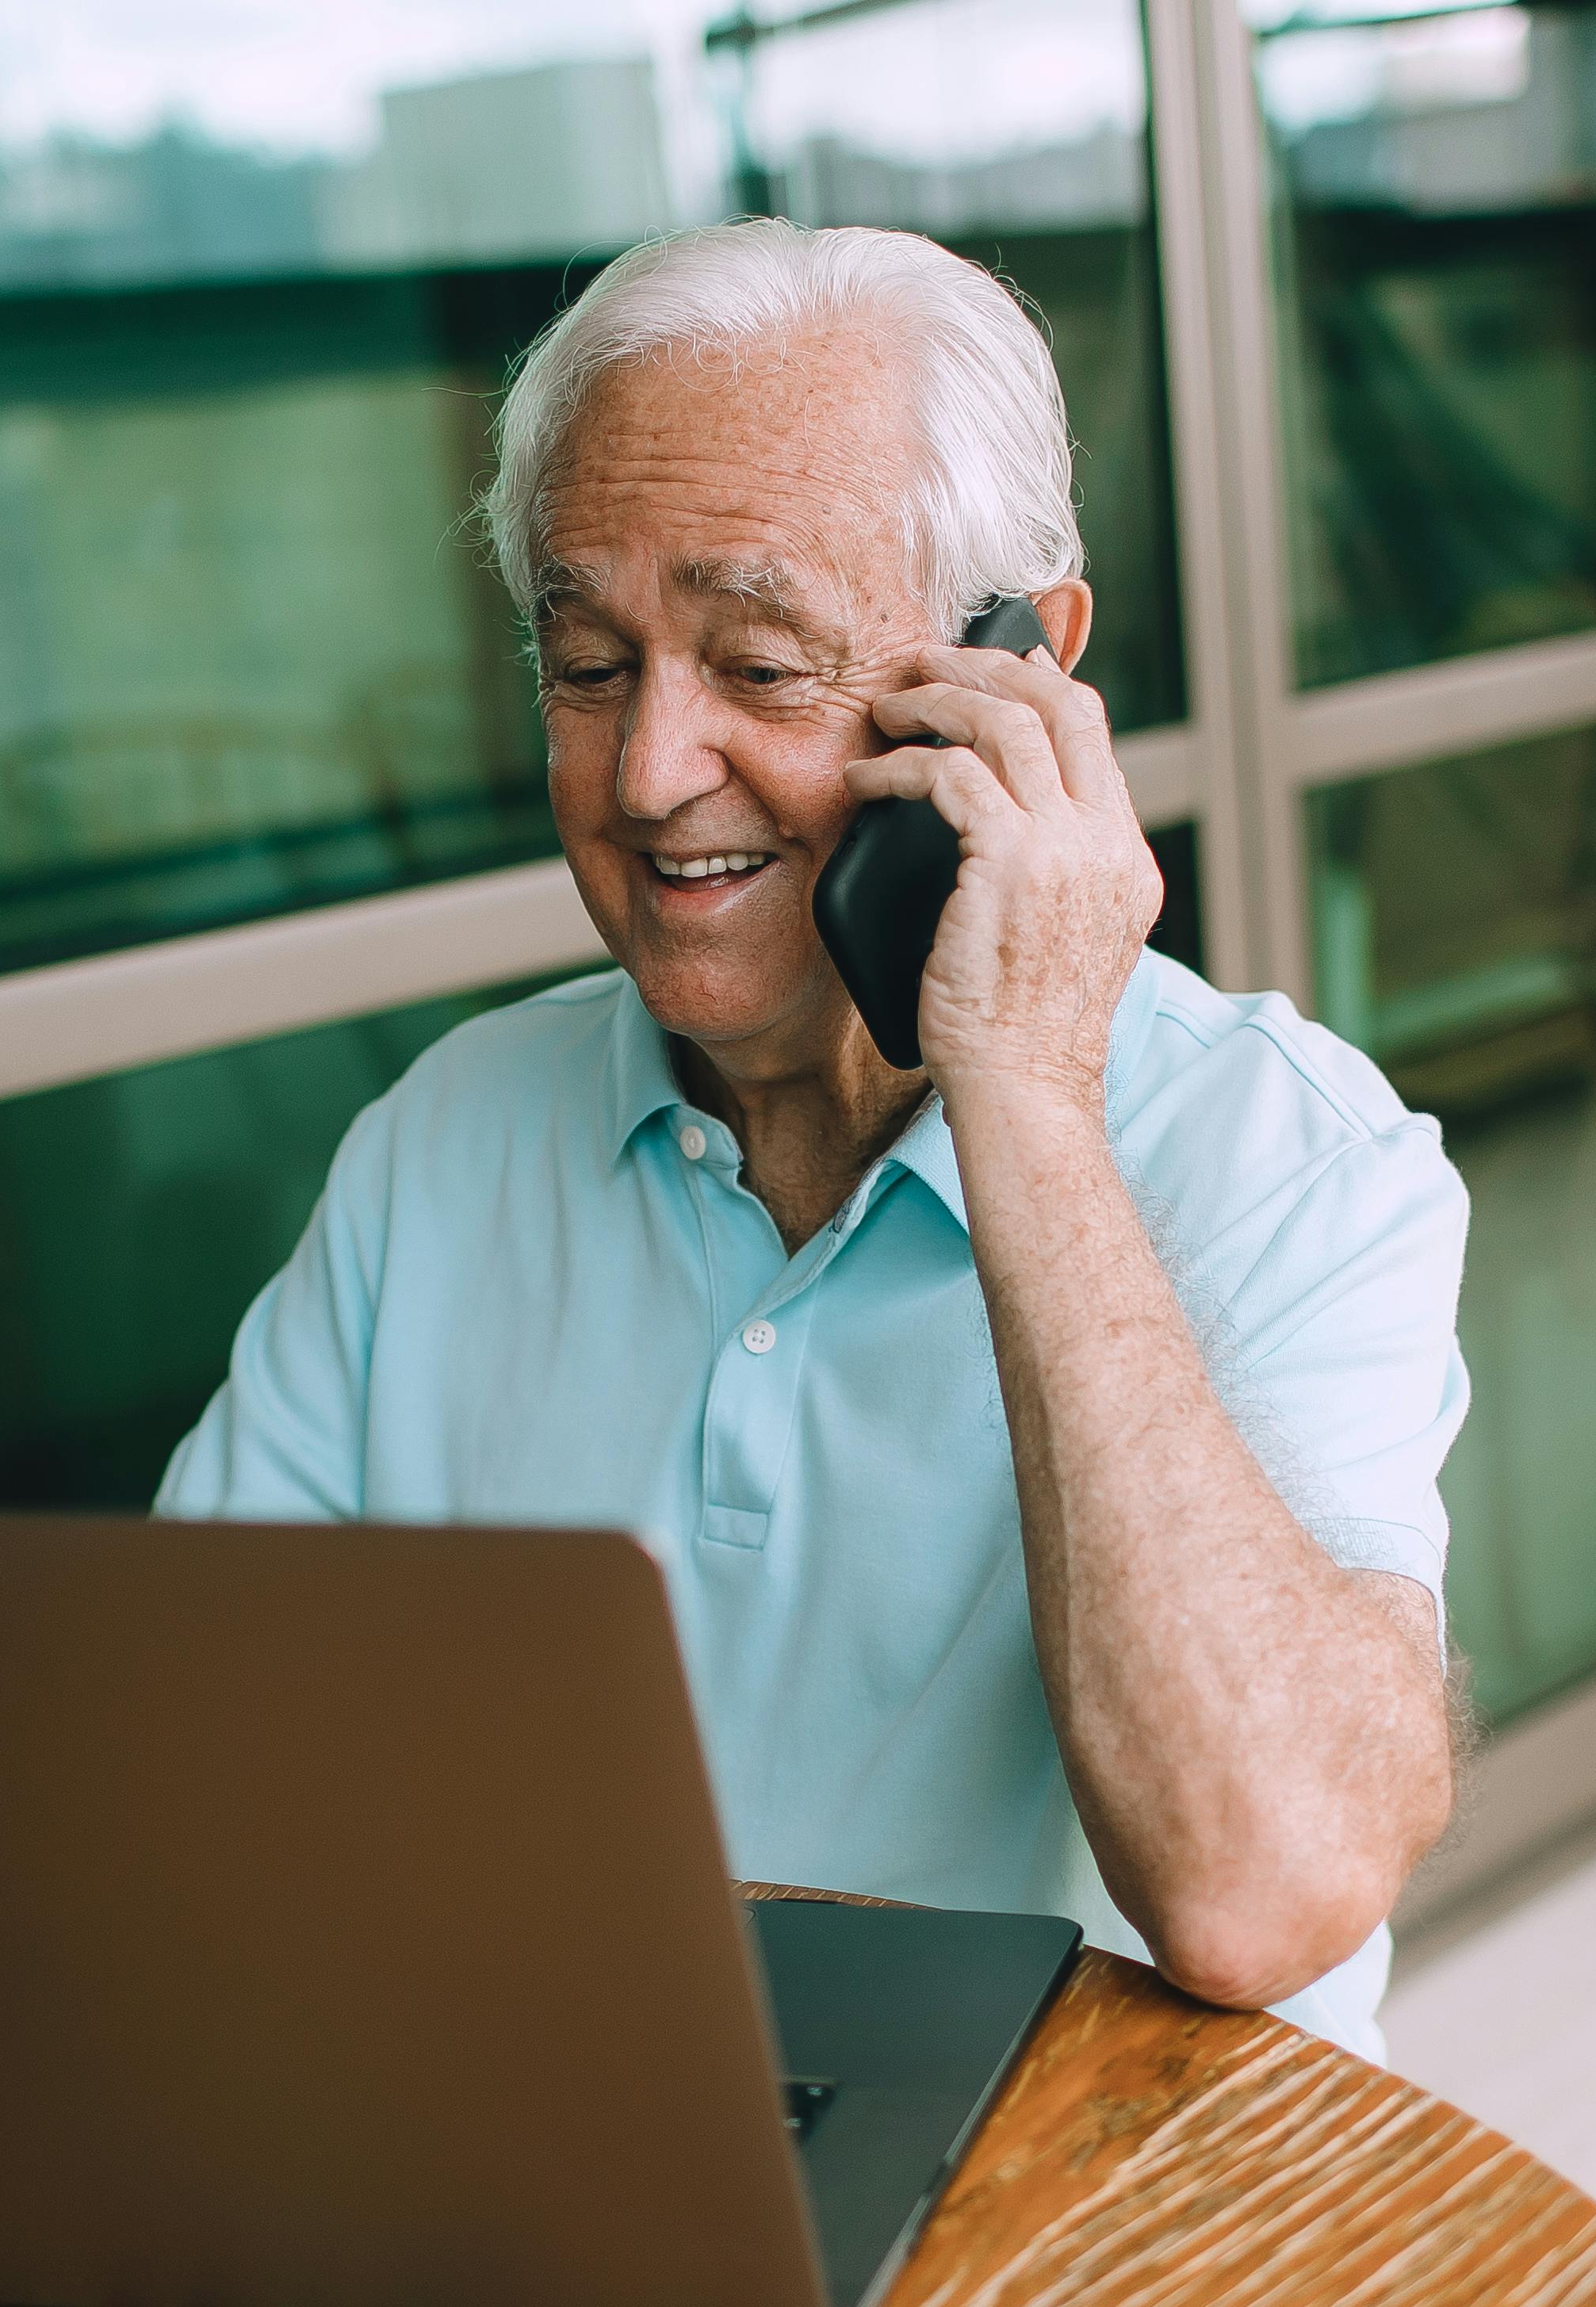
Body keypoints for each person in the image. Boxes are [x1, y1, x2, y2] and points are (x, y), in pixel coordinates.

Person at [159, 220, 1468, 2056]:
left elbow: (1265, 1883)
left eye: (758, 665)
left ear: (1019, 673)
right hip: (570, 2138)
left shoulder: (1293, 1158)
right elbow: (190, 1766)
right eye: (590, 661)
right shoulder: (441, 1142)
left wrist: (1017, 1087)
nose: (645, 771)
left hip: (1099, 2238)